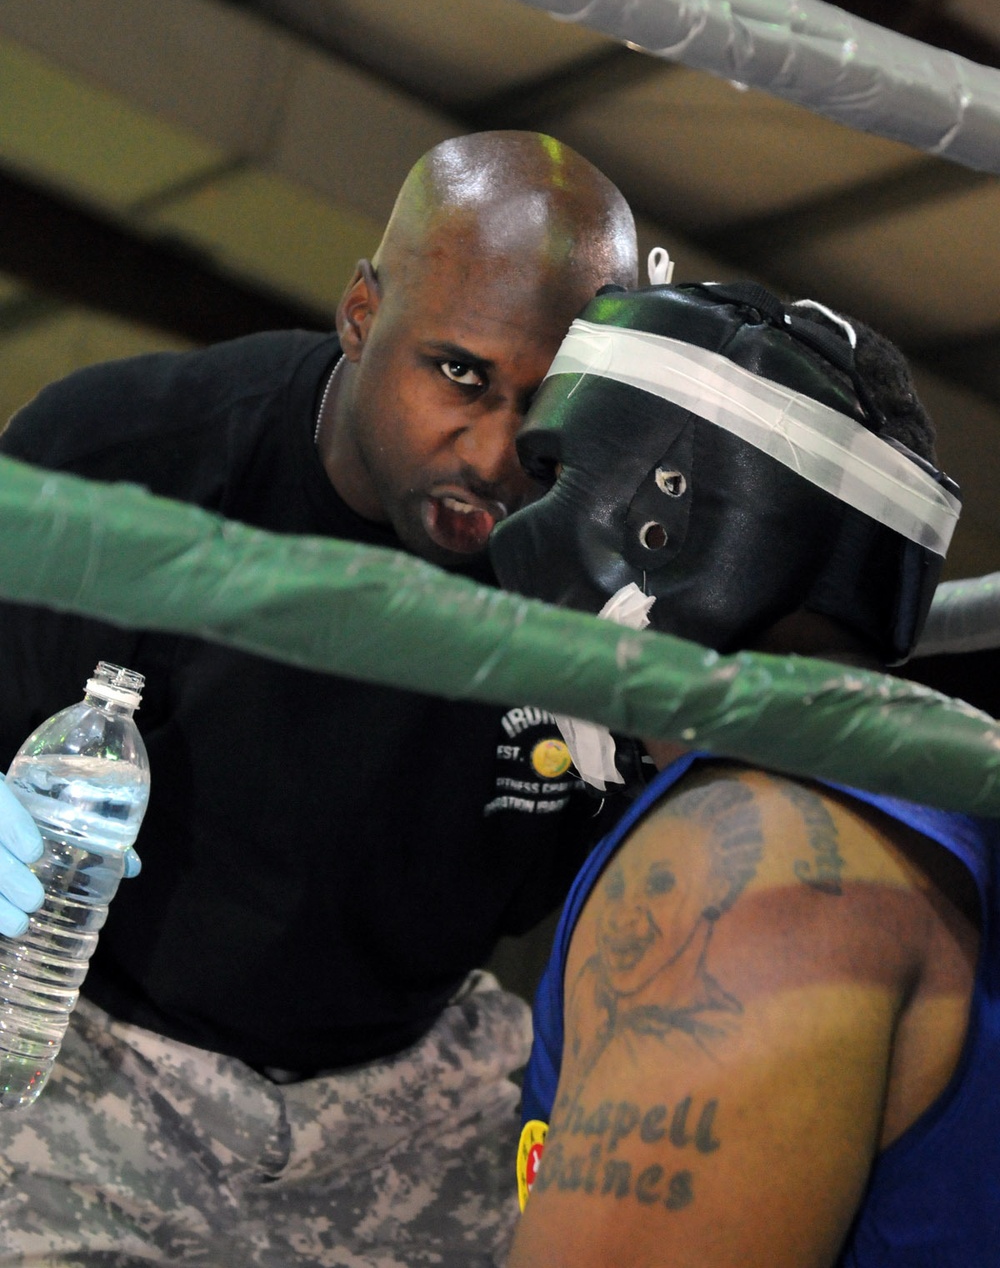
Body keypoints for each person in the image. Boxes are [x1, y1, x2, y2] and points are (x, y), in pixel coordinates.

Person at [0, 130, 637, 1267]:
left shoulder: (603, 575)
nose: (493, 453)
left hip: (408, 1100)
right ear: (359, 314)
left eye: (544, 413)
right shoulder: (121, 456)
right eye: (459, 374)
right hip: (93, 1054)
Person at [488, 280, 997, 1266]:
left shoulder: (747, 866)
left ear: (667, 515)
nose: (514, 533)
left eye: (551, 477)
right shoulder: (923, 795)